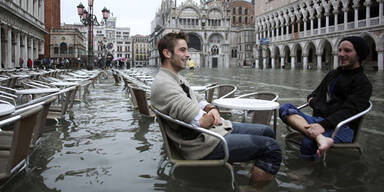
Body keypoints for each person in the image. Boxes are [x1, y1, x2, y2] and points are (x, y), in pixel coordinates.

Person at [150, 32, 282, 187]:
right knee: (272, 148)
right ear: (167, 53)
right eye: (183, 50)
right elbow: (203, 122)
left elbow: (197, 97)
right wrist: (212, 114)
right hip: (203, 144)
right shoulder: (165, 85)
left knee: (267, 132)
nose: (188, 55)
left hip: (213, 132)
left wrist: (210, 107)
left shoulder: (175, 77)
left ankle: (252, 164)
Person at [279, 36, 372, 160]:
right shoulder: (333, 74)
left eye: (347, 51)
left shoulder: (362, 83)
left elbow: (349, 111)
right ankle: (320, 138)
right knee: (285, 108)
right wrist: (317, 106)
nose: (341, 54)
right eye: (339, 50)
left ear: (359, 54)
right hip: (318, 120)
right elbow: (313, 95)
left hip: (342, 127)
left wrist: (323, 124)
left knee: (308, 141)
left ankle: (307, 173)